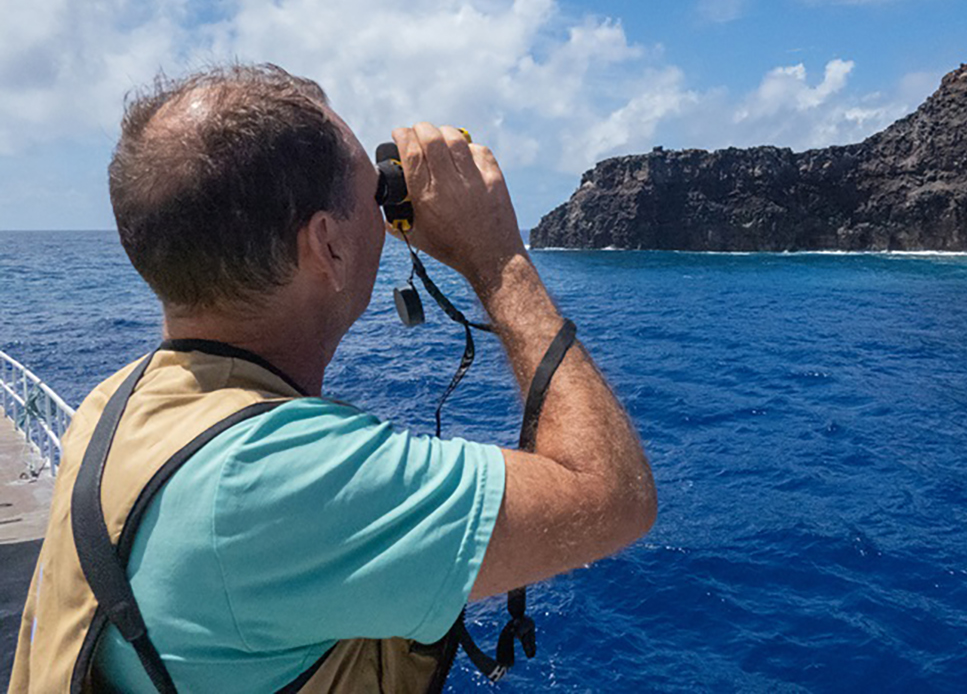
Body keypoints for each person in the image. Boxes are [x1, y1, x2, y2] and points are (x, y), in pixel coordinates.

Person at [8, 65, 656, 693]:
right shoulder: (270, 480)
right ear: (328, 246)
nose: (387, 207)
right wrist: (497, 259)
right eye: (372, 193)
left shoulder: (115, 403)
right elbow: (612, 496)